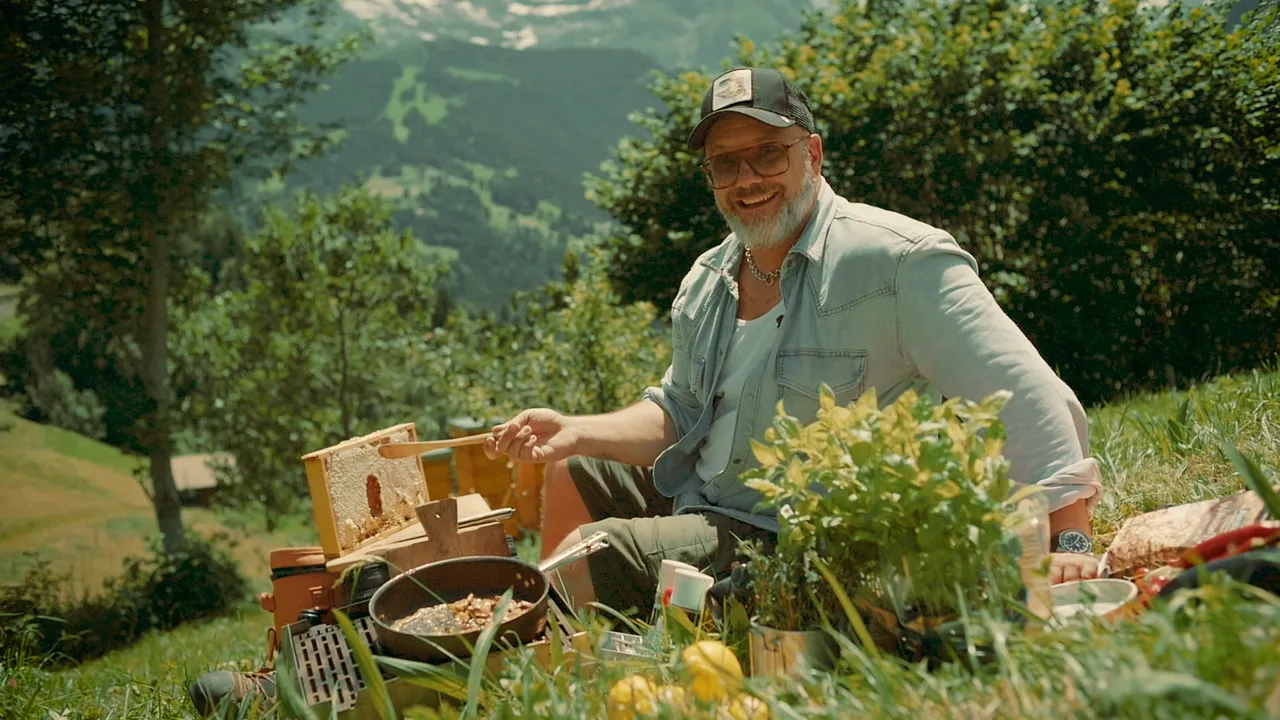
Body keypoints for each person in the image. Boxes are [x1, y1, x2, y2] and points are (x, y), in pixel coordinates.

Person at [484, 66, 1105, 617]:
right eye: (724, 164)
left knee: (590, 556)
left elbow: (1023, 393)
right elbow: (680, 410)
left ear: (812, 153)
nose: (746, 178)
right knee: (573, 469)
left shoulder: (895, 261)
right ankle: (580, 643)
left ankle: (556, 630)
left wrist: (1069, 540)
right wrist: (574, 429)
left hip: (792, 533)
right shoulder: (708, 278)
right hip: (709, 488)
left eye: (767, 154)